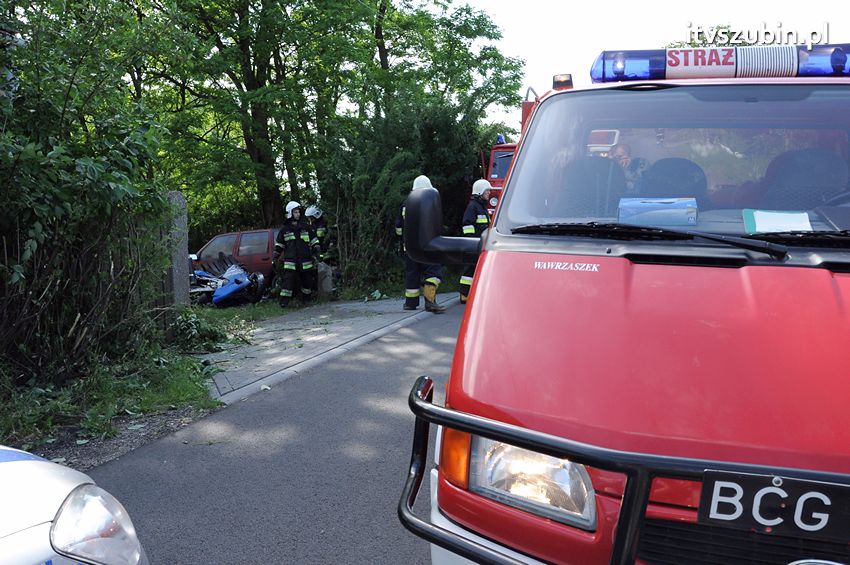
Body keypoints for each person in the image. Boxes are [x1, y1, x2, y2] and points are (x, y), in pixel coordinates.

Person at [396, 175, 445, 313]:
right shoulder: (428, 202)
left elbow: (399, 227)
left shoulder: (406, 203)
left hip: (410, 248)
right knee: (433, 271)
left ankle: (410, 303)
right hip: (427, 247)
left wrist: (404, 241)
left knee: (412, 273)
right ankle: (430, 302)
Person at [273, 201, 321, 308]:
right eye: (295, 212)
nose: (298, 214)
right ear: (290, 213)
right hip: (291, 261)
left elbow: (314, 240)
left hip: (305, 260)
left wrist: (317, 249)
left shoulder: (305, 227)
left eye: (298, 212)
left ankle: (306, 300)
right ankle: (284, 303)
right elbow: (279, 245)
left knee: (307, 281)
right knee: (287, 283)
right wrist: (275, 258)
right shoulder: (284, 229)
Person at [459, 179, 491, 304]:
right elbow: (467, 225)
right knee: (469, 270)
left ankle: (472, 293)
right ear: (480, 192)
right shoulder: (473, 207)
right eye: (487, 190)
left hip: (480, 244)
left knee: (475, 269)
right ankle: (464, 294)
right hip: (473, 244)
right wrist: (471, 241)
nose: (489, 193)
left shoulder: (481, 207)